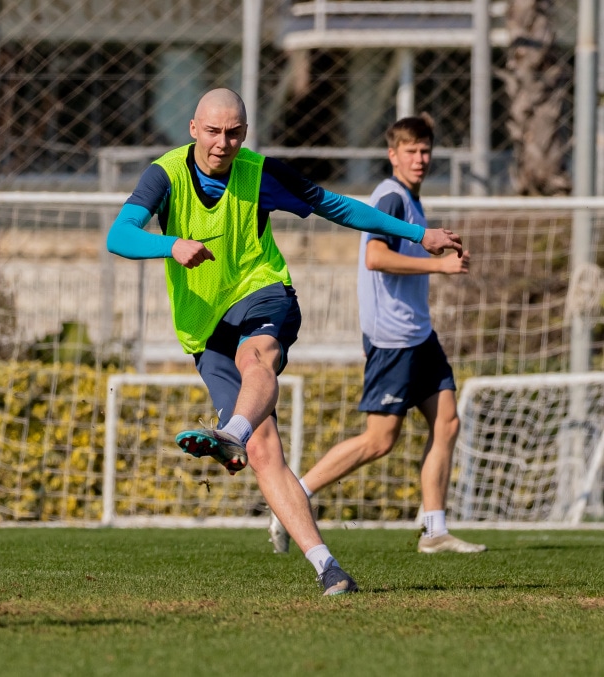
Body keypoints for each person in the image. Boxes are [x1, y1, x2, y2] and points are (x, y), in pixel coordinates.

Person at [106, 89, 464, 595]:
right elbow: (118, 236)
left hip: (263, 292)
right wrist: (172, 244)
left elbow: (336, 207)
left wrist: (416, 233)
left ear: (244, 134)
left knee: (259, 357)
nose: (222, 143)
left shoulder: (260, 173)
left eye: (233, 133)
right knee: (265, 449)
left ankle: (230, 433)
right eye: (212, 131)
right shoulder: (164, 175)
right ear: (192, 128)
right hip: (204, 328)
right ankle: (328, 568)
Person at [288, 115, 486, 554]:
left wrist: (443, 256)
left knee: (447, 421)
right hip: (392, 338)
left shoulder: (412, 202)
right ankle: (294, 496)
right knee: (380, 441)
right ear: (392, 154)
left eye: (425, 150)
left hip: (419, 333)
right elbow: (375, 257)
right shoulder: (390, 198)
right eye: (411, 151)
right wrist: (440, 264)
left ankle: (434, 531)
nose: (420, 158)